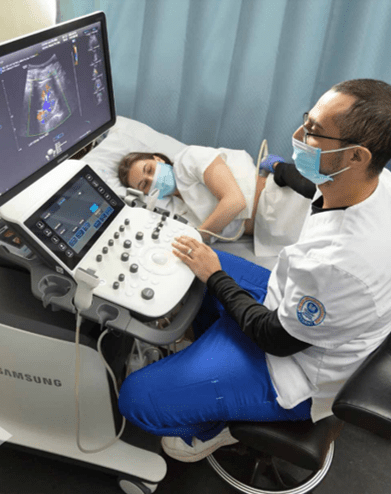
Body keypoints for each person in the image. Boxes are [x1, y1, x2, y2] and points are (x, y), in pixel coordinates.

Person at [118, 78, 391, 462]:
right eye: (306, 120)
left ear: (357, 156)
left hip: (297, 369)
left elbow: (274, 339)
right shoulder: (372, 184)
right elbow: (308, 189)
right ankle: (209, 360)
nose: (298, 135)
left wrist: (215, 276)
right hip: (292, 305)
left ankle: (217, 425)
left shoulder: (341, 262)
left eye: (313, 132)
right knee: (194, 260)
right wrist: (281, 169)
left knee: (137, 398)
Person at [118, 146, 268, 242]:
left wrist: (198, 237)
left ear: (158, 159)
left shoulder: (188, 160)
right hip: (266, 233)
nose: (152, 179)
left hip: (274, 202)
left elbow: (235, 202)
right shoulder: (174, 210)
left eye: (149, 169)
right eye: (144, 184)